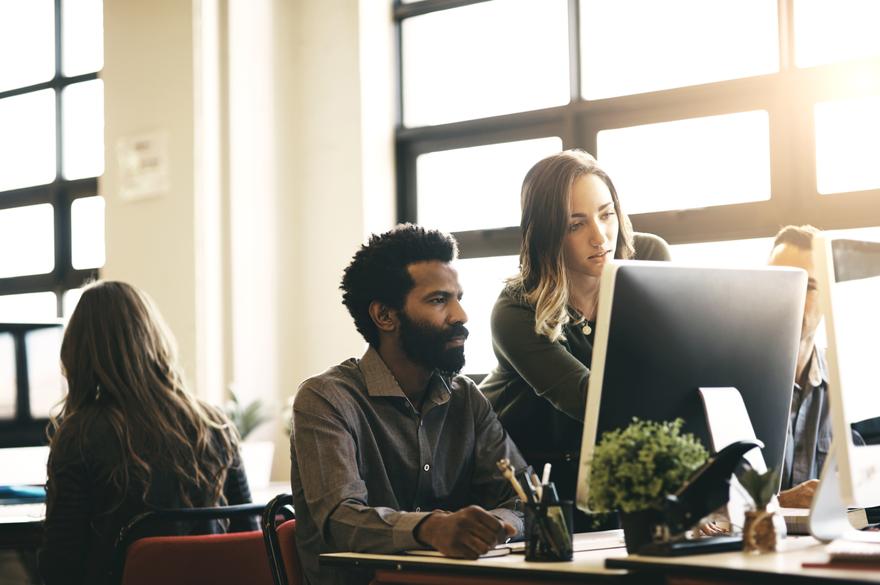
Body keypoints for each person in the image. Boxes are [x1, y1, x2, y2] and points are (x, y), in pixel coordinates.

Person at [290, 225, 525, 585]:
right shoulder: (326, 400)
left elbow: (526, 499)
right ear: (385, 316)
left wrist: (497, 525)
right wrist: (432, 528)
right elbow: (340, 521)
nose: (461, 315)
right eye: (438, 300)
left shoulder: (466, 398)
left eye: (458, 297)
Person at [479, 150, 670, 528]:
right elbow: (593, 403)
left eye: (606, 214)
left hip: (616, 480)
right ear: (547, 233)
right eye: (575, 224)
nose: (600, 237)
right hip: (535, 493)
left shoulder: (648, 260)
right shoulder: (516, 309)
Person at [39, 281, 253, 585]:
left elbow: (60, 566)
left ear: (78, 352)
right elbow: (251, 535)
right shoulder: (214, 424)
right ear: (154, 340)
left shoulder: (80, 436)